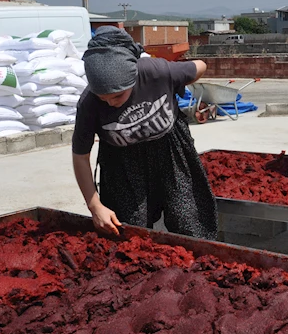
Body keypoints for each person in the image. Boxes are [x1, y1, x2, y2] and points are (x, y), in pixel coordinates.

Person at [71, 26, 218, 240]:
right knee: (130, 228)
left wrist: (175, 83)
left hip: (170, 150)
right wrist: (95, 206)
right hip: (123, 162)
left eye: (118, 96)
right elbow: (80, 157)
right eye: (104, 98)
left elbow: (200, 66)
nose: (111, 103)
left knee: (188, 216)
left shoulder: (155, 72)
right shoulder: (89, 104)